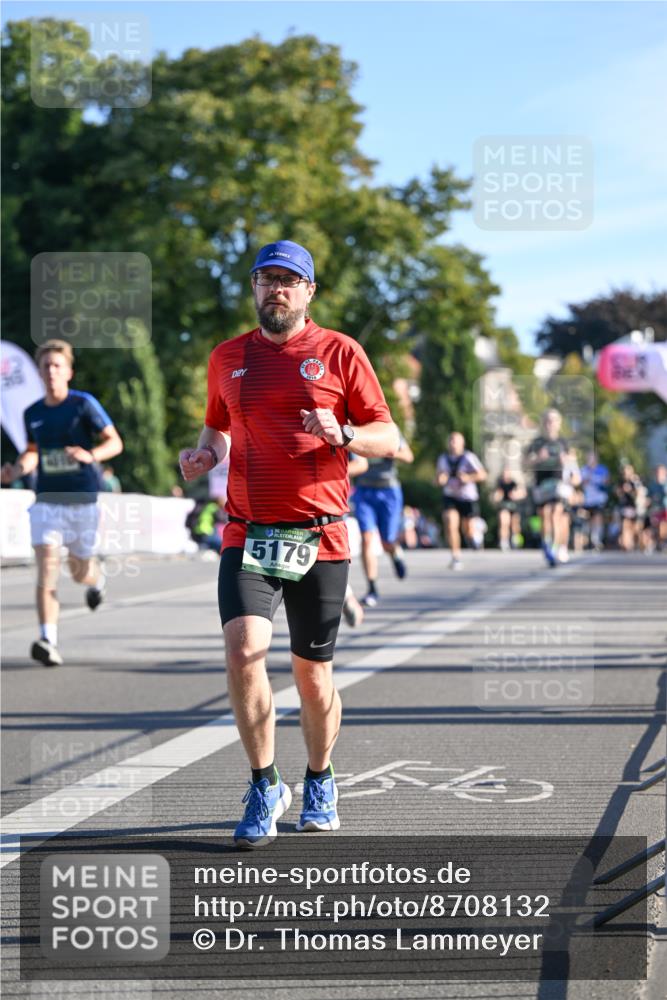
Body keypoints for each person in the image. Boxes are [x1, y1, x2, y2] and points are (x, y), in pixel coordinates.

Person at [179, 240, 397, 849]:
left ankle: (321, 777)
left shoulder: (339, 352)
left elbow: (389, 434)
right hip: (248, 530)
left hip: (320, 537)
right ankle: (263, 782)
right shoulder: (226, 358)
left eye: (287, 280)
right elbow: (218, 424)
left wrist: (347, 431)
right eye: (265, 279)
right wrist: (204, 454)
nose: (275, 289)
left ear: (308, 292)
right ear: (253, 288)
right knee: (244, 650)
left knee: (312, 677)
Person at [0, 340, 123, 666]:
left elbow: (115, 442)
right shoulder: (33, 413)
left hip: (82, 500)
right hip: (47, 502)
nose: (51, 371)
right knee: (47, 572)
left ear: (68, 371)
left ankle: (97, 580)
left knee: (80, 571)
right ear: (39, 373)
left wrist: (90, 454)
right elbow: (31, 452)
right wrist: (18, 467)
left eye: (57, 365)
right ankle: (47, 639)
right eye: (46, 366)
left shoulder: (83, 404)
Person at [350, 432, 413, 607]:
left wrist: (387, 451)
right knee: (367, 538)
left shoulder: (388, 428)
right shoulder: (353, 428)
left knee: (387, 541)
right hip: (364, 491)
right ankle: (372, 588)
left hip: (389, 491)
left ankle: (395, 555)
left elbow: (408, 456)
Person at [525, 409, 571, 567]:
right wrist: (538, 458)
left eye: (553, 421)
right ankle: (546, 543)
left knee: (556, 513)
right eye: (547, 421)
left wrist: (565, 460)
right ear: (543, 423)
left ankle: (555, 548)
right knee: (544, 514)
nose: (550, 424)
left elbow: (571, 461)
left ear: (559, 423)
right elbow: (525, 464)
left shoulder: (563, 442)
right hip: (541, 482)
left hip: (557, 482)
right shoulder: (537, 443)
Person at [436, 432, 486, 570]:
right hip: (450, 496)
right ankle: (455, 557)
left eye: (455, 441)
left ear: (462, 443)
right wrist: (441, 480)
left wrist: (468, 478)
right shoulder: (443, 459)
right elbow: (438, 478)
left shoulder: (469, 457)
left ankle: (474, 535)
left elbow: (482, 474)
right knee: (450, 522)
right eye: (451, 440)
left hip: (467, 497)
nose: (452, 443)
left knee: (467, 529)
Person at [580, 451, 609, 551]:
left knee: (598, 517)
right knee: (588, 519)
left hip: (598, 498)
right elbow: (580, 482)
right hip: (587, 499)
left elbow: (606, 482)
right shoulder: (584, 470)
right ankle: (588, 539)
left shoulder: (602, 469)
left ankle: (596, 539)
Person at [492, 467, 525, 551]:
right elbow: (496, 495)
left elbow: (522, 493)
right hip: (504, 506)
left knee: (515, 525)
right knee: (504, 523)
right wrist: (498, 496)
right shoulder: (500, 484)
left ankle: (515, 540)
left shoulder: (514, 483)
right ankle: (504, 541)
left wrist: (516, 495)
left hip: (514, 506)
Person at [647, 464, 667, 551]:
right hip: (656, 509)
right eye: (658, 472)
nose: (660, 474)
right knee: (656, 527)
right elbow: (649, 497)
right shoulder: (652, 485)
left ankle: (662, 542)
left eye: (662, 472)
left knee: (663, 527)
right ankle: (659, 543)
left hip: (665, 509)